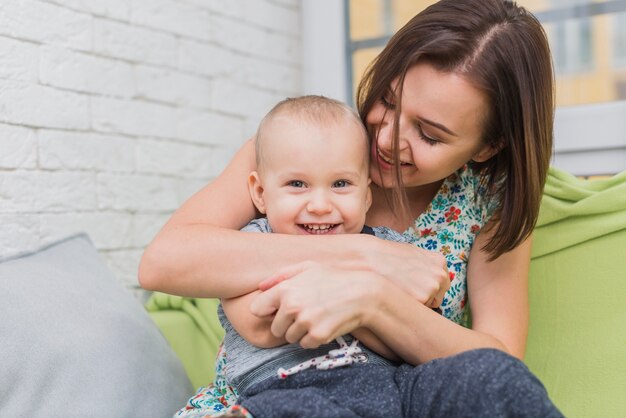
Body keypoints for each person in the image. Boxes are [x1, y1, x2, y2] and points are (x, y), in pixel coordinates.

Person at [139, 0, 562, 416]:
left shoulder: (489, 202)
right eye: (389, 102)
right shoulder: (300, 145)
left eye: (429, 135)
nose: (387, 140)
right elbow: (164, 262)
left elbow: (500, 361)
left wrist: (371, 299)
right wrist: (364, 255)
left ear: (489, 146)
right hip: (276, 396)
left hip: (397, 395)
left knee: (494, 381)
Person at [218, 95, 410, 416]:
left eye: (340, 183)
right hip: (286, 385)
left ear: (366, 197)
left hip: (384, 383)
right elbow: (258, 326)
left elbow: (408, 337)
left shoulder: (391, 250)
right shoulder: (251, 244)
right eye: (297, 184)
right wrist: (366, 300)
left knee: (458, 377)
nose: (320, 205)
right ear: (261, 194)